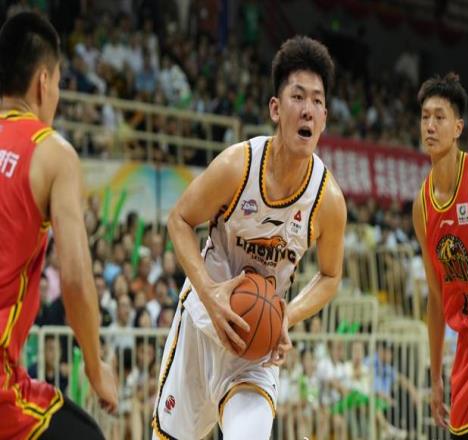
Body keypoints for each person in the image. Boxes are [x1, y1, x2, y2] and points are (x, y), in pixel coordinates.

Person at [153, 35, 346, 440]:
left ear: (325, 117)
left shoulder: (327, 200)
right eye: (297, 97)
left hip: (256, 351)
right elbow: (179, 220)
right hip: (202, 326)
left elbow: (330, 276)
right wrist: (210, 292)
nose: (307, 109)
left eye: (316, 101)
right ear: (275, 108)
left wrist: (287, 316)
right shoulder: (237, 166)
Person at [0, 12, 117, 439]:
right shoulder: (51, 152)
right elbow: (75, 279)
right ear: (44, 81)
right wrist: (95, 367)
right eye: (60, 84)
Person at [412, 73, 468, 440]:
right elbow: (435, 298)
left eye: (440, 117)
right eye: (425, 117)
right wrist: (435, 377)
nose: (430, 126)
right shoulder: (422, 207)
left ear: (458, 127)